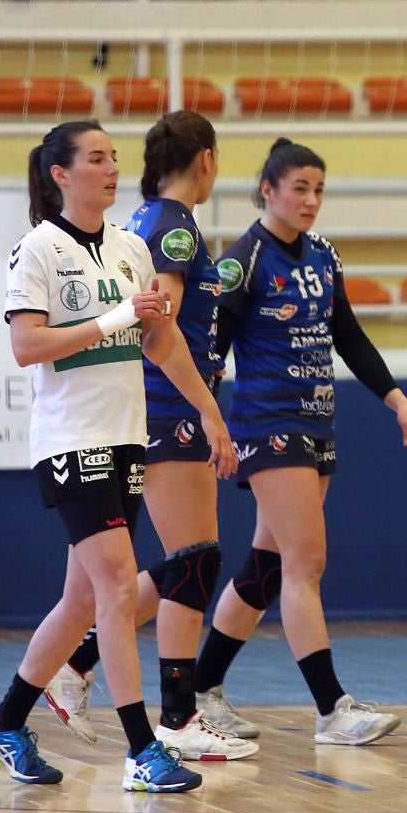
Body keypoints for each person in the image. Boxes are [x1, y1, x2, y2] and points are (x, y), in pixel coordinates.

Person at [0, 119, 234, 793]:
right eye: (95, 158)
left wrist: (208, 409)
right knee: (119, 586)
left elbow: (162, 343)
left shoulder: (127, 249)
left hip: (126, 437)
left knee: (82, 600)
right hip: (70, 440)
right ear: (60, 174)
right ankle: (144, 749)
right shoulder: (38, 250)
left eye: (115, 157)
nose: (111, 168)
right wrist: (117, 319)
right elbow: (28, 346)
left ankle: (3, 725)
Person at [188, 137, 407, 747]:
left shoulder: (324, 257)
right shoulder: (242, 261)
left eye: (319, 189)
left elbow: (348, 336)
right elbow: (210, 355)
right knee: (307, 563)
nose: (311, 200)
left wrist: (397, 402)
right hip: (268, 427)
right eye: (299, 188)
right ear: (268, 190)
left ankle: (201, 690)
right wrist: (211, 424)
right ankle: (332, 710)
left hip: (317, 421)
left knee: (267, 568)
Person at [42, 111, 257, 762]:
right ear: (207, 161)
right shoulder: (174, 229)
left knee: (154, 570)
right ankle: (175, 716)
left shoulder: (142, 225)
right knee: (194, 559)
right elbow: (156, 321)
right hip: (165, 413)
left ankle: (76, 666)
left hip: (154, 412)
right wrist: (208, 412)